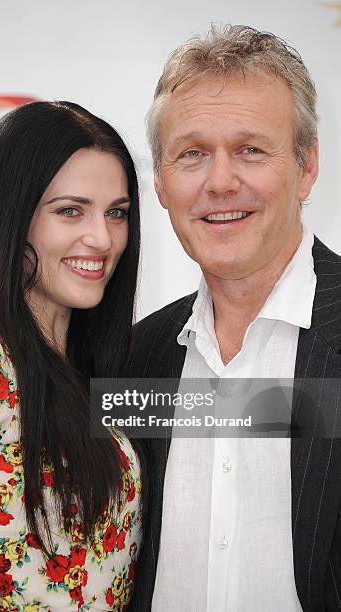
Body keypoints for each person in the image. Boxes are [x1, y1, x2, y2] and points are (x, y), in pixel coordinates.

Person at [127, 25, 341, 611]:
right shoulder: (134, 358)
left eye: (251, 149)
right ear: (161, 181)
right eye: (192, 154)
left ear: (306, 166)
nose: (220, 182)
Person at [0, 101, 145, 611]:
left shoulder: (100, 376)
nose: (102, 238)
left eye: (116, 212)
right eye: (70, 210)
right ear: (12, 219)